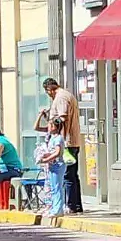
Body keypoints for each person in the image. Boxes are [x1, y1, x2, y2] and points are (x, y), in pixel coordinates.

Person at [39, 78, 83, 213]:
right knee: (72, 174)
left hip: (67, 142)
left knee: (67, 175)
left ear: (49, 89)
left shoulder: (61, 97)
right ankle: (75, 205)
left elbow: (63, 119)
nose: (49, 95)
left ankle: (70, 205)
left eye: (48, 92)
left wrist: (61, 139)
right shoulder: (66, 95)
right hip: (72, 141)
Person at [34, 118, 68, 217]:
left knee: (57, 187)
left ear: (54, 127)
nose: (48, 127)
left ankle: (58, 209)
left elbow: (58, 152)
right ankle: (54, 208)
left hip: (58, 165)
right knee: (53, 188)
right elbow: (52, 151)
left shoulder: (58, 138)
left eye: (50, 125)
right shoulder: (52, 138)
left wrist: (46, 159)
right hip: (52, 165)